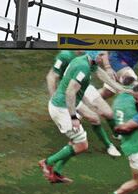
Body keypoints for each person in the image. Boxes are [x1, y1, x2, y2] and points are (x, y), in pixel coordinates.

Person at [40, 50, 112, 184]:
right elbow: (68, 91)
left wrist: (118, 87)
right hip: (62, 108)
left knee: (76, 140)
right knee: (82, 145)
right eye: (102, 55)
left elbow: (95, 76)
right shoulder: (81, 65)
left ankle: (56, 172)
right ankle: (47, 163)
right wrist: (73, 117)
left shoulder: (85, 61)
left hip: (66, 105)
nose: (105, 58)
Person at [45, 49, 119, 157]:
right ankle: (108, 145)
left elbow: (98, 67)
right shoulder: (65, 55)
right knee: (90, 121)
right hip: (70, 91)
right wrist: (54, 99)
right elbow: (51, 76)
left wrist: (108, 69)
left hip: (84, 87)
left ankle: (119, 135)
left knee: (108, 113)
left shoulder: (89, 53)